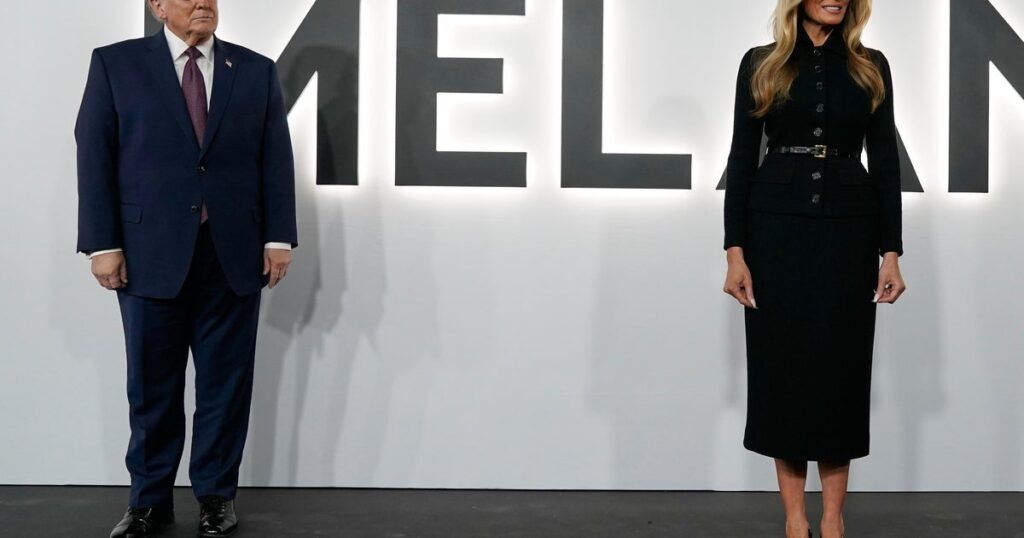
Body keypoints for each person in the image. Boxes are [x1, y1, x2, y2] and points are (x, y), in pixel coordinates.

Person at [75, 0, 297, 536]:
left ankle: (216, 497)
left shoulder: (255, 69)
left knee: (226, 385)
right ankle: (148, 501)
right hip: (147, 254)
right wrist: (102, 243)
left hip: (233, 254)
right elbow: (94, 152)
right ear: (157, 6)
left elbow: (274, 155)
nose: (203, 2)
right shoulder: (115, 64)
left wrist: (278, 237)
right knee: (151, 387)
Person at [721, 1, 906, 537]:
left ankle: (832, 519)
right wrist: (735, 250)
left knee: (840, 373)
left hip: (849, 232)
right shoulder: (761, 62)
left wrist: (891, 251)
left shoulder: (871, 65)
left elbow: (885, 161)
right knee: (783, 371)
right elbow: (741, 157)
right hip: (775, 231)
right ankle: (795, 519)